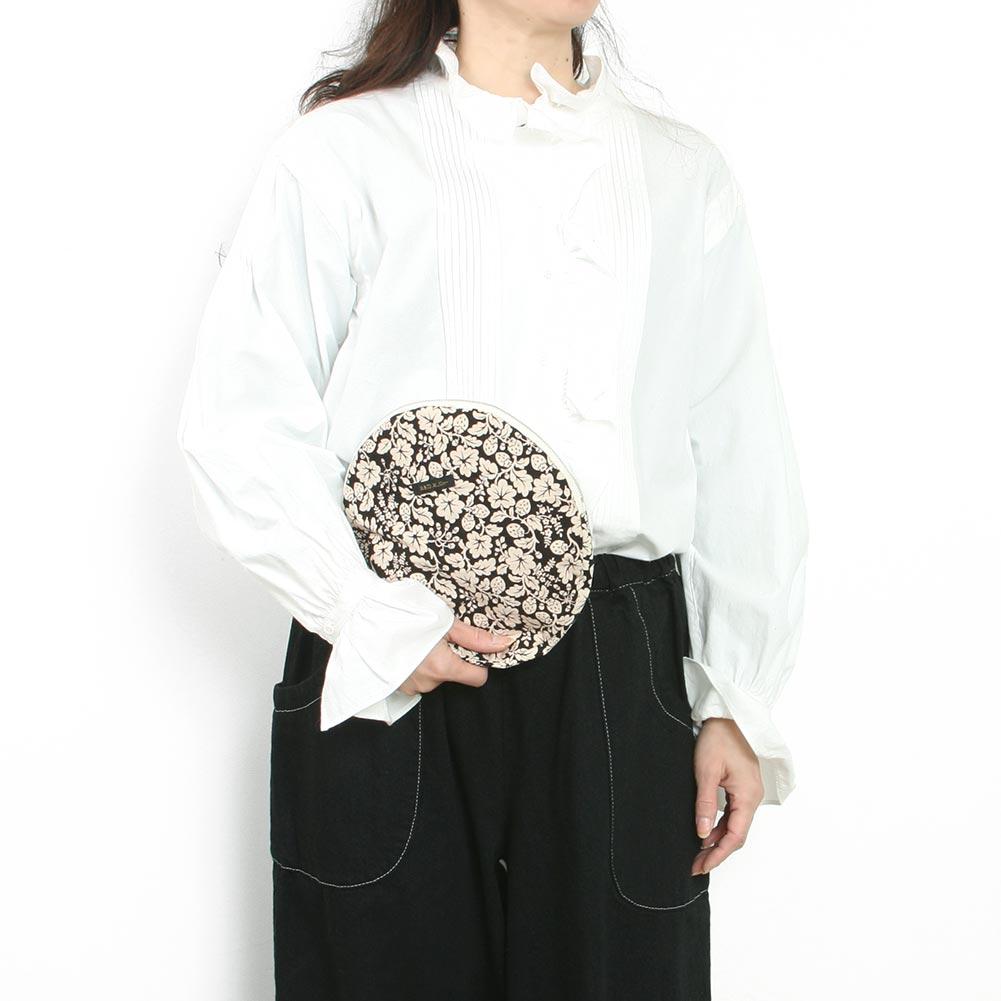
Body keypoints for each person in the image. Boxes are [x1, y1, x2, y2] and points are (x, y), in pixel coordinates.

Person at [177, 4, 809, 999]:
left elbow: (738, 443)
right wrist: (367, 613)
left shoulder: (681, 174)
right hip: (391, 653)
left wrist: (734, 698)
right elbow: (239, 417)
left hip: (615, 667)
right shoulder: (345, 151)